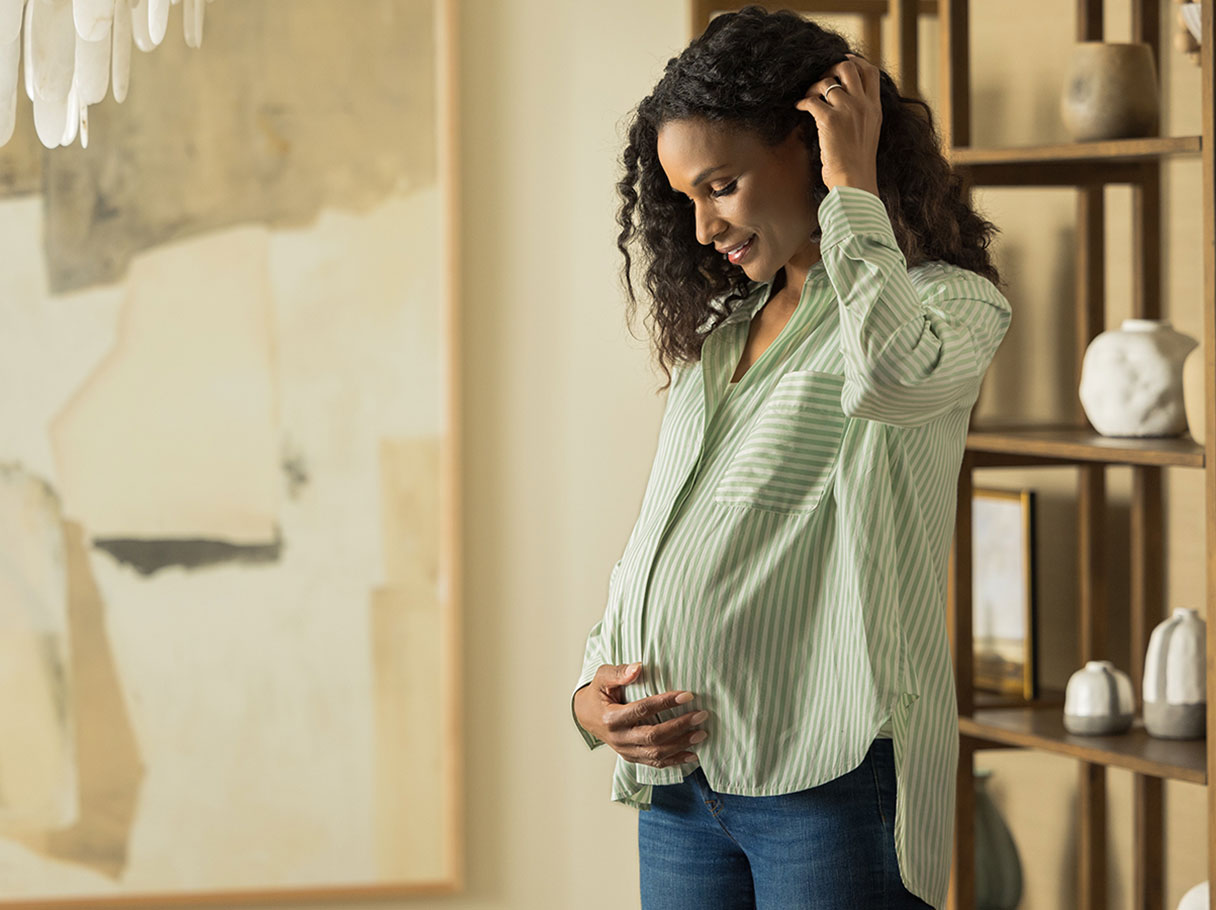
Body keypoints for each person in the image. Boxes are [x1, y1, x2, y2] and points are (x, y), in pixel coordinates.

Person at [570, 7, 1011, 910]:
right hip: (682, 785)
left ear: (809, 146)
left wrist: (851, 183)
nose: (701, 229)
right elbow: (663, 534)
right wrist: (590, 693)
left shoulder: (950, 308)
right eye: (686, 198)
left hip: (831, 784)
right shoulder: (724, 337)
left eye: (720, 186)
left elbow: (887, 376)